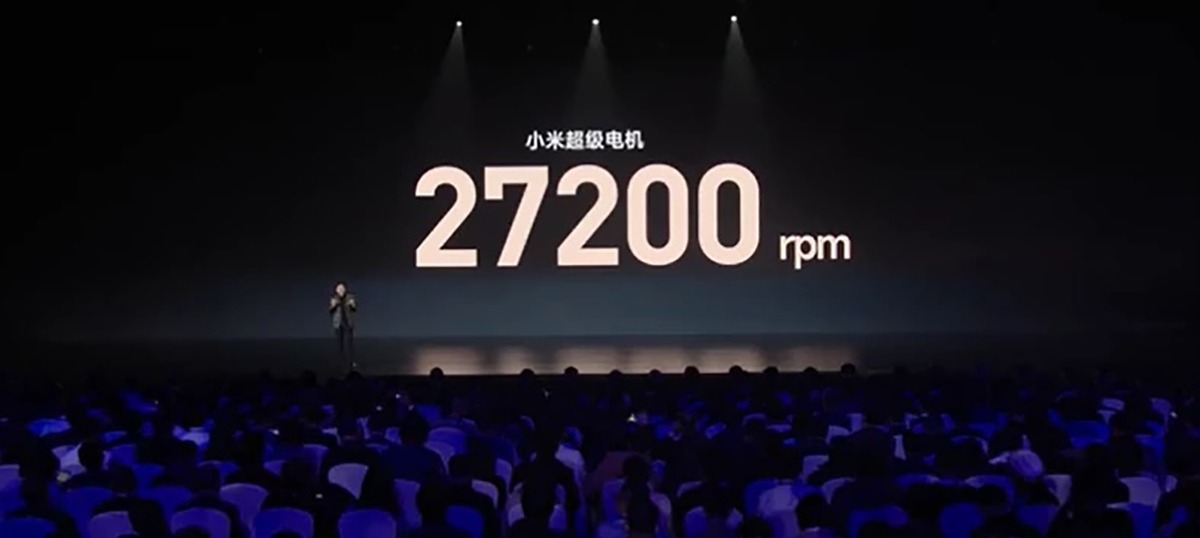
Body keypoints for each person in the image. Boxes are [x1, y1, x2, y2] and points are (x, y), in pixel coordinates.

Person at [329, 282, 358, 370]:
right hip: (338, 323)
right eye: (339, 289)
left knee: (350, 344)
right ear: (336, 291)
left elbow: (354, 309)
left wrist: (352, 304)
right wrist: (333, 305)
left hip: (348, 322)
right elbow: (331, 310)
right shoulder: (334, 298)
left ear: (345, 290)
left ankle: (352, 361)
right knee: (339, 344)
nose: (341, 291)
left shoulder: (350, 297)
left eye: (342, 289)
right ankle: (340, 361)